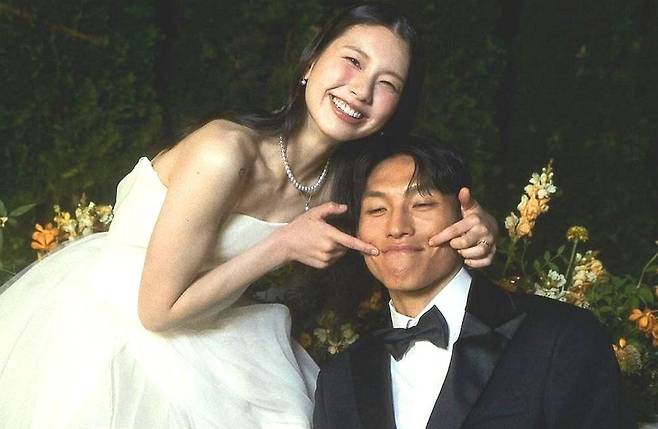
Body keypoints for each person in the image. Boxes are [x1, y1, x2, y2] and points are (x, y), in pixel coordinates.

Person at [0, 4, 497, 429]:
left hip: (213, 324)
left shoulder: (346, 181)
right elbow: (155, 311)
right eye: (352, 61)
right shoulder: (225, 151)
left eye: (386, 84)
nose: (360, 90)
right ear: (311, 63)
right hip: (114, 324)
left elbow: (429, 195)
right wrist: (282, 245)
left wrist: (482, 227)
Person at [313, 135, 635, 429]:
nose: (397, 227)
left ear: (466, 216)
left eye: (421, 204)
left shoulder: (560, 337)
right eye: (377, 209)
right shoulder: (339, 380)